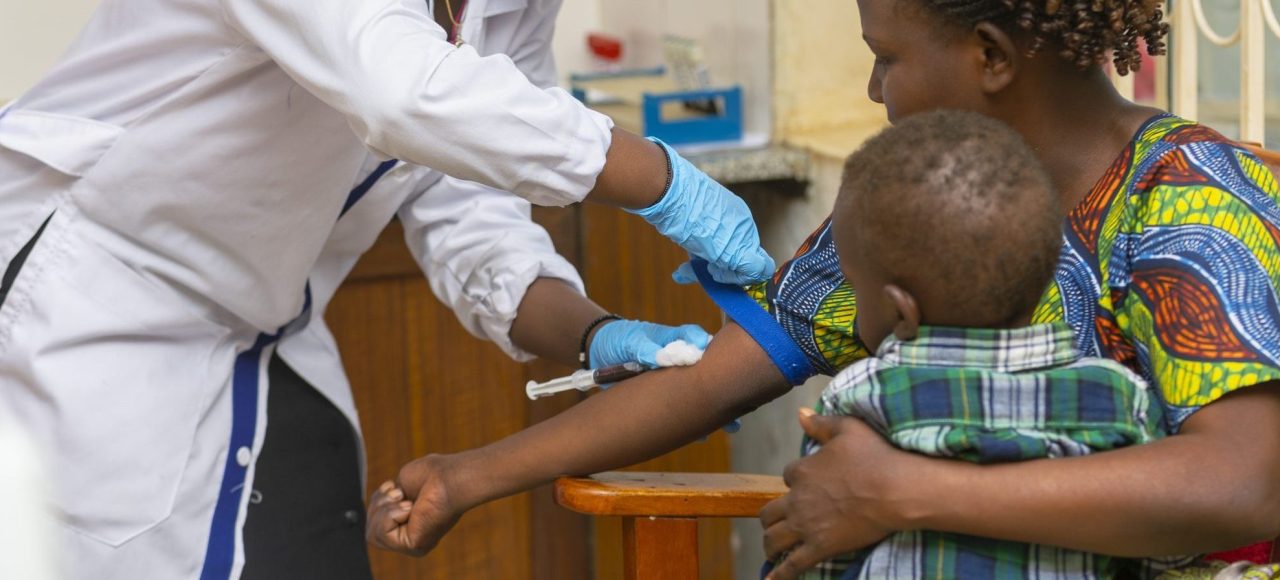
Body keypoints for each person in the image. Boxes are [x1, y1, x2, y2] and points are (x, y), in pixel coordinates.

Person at [369, 0, 1280, 575]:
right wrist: (469, 475)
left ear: (992, 55)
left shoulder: (1193, 203)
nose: (874, 88)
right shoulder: (912, 207)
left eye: (884, 56)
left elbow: (1243, 483)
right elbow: (715, 376)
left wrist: (901, 494)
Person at [0, 0, 772, 578]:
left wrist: (590, 333)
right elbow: (403, 94)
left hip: (264, 328)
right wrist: (665, 182)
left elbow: (467, 193)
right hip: (88, 298)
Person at [773, 109, 1170, 579]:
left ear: (901, 311)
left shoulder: (862, 398)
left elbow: (817, 543)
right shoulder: (1120, 397)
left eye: (857, 291)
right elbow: (1161, 551)